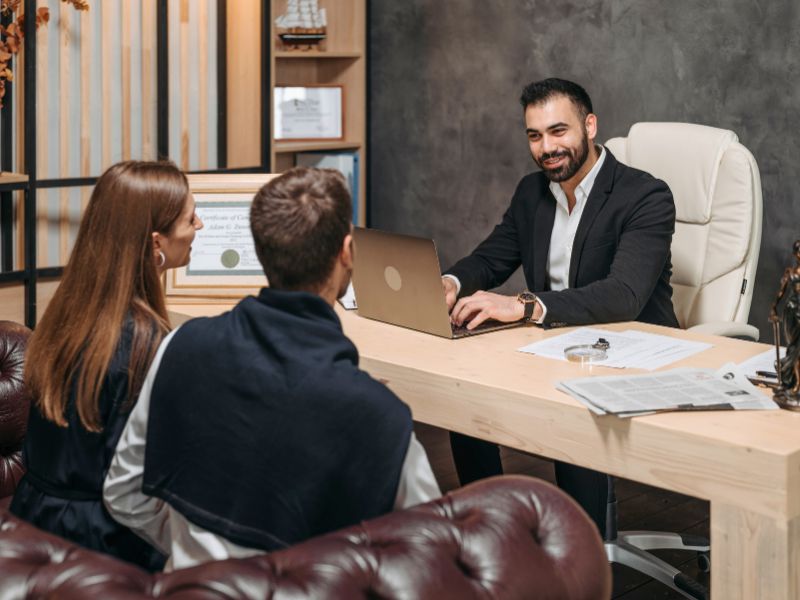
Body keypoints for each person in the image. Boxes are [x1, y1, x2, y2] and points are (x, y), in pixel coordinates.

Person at [103, 167, 441, 571]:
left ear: (261, 253)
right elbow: (428, 558)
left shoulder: (181, 345)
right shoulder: (380, 416)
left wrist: (196, 548)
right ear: (347, 252)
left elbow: (123, 492)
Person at [442, 78, 678, 535]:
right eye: (534, 136)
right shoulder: (533, 193)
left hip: (630, 349)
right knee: (464, 393)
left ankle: (578, 552)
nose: (547, 147)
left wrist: (525, 306)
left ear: (590, 126)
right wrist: (449, 283)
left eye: (558, 131)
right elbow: (491, 258)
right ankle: (491, 529)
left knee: (574, 401)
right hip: (553, 342)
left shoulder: (645, 196)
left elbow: (623, 294)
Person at [10, 160, 204, 571]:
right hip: (104, 545)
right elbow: (139, 488)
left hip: (30, 523)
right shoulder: (146, 343)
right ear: (156, 243)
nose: (199, 226)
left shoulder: (65, 313)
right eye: (190, 218)